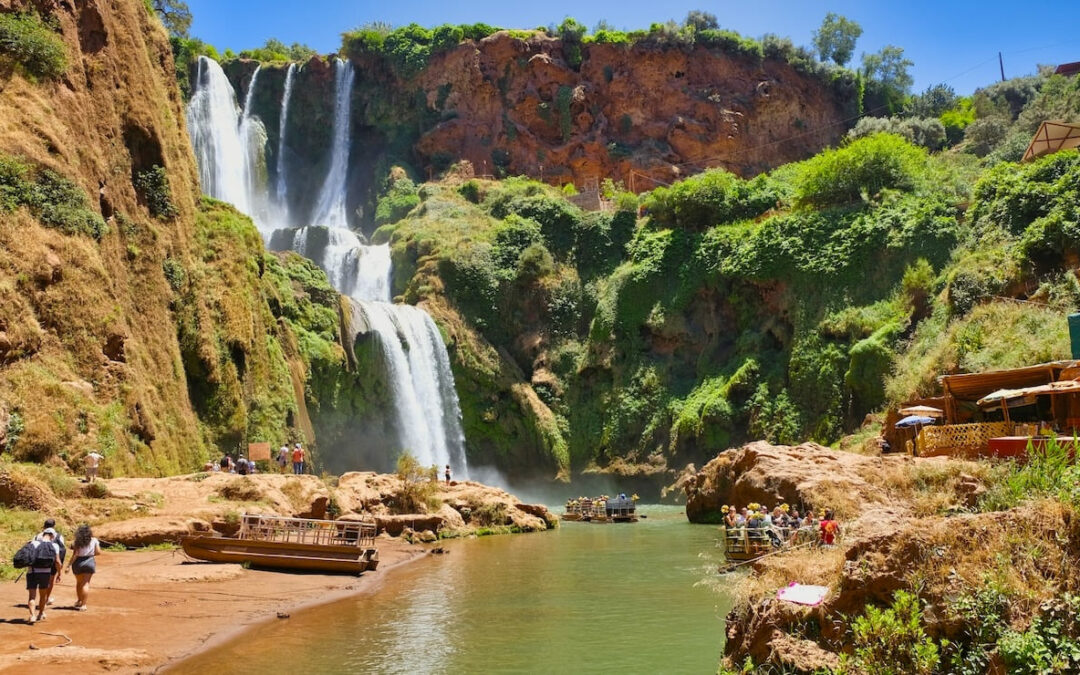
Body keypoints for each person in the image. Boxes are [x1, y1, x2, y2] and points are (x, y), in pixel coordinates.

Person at [25, 528, 61, 623]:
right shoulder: (55, 545)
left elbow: (27, 555)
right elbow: (57, 562)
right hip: (46, 573)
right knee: (43, 595)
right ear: (52, 536)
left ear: (43, 534)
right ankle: (40, 614)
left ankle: (32, 616)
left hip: (32, 572)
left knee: (32, 596)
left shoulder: (34, 543)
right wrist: (59, 573)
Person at [32, 519, 66, 608]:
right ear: (54, 526)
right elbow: (61, 550)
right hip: (52, 561)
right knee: (50, 581)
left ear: (44, 525)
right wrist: (59, 569)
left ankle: (36, 599)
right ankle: (45, 599)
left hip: (38, 562)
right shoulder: (59, 536)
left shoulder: (38, 536)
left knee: (37, 581)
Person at [68, 524, 101, 611]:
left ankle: (79, 601)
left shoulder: (77, 541)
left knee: (79, 583)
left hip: (78, 562)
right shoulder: (94, 540)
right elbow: (98, 552)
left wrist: (68, 565)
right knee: (86, 583)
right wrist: (90, 554)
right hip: (89, 562)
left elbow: (75, 555)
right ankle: (84, 605)